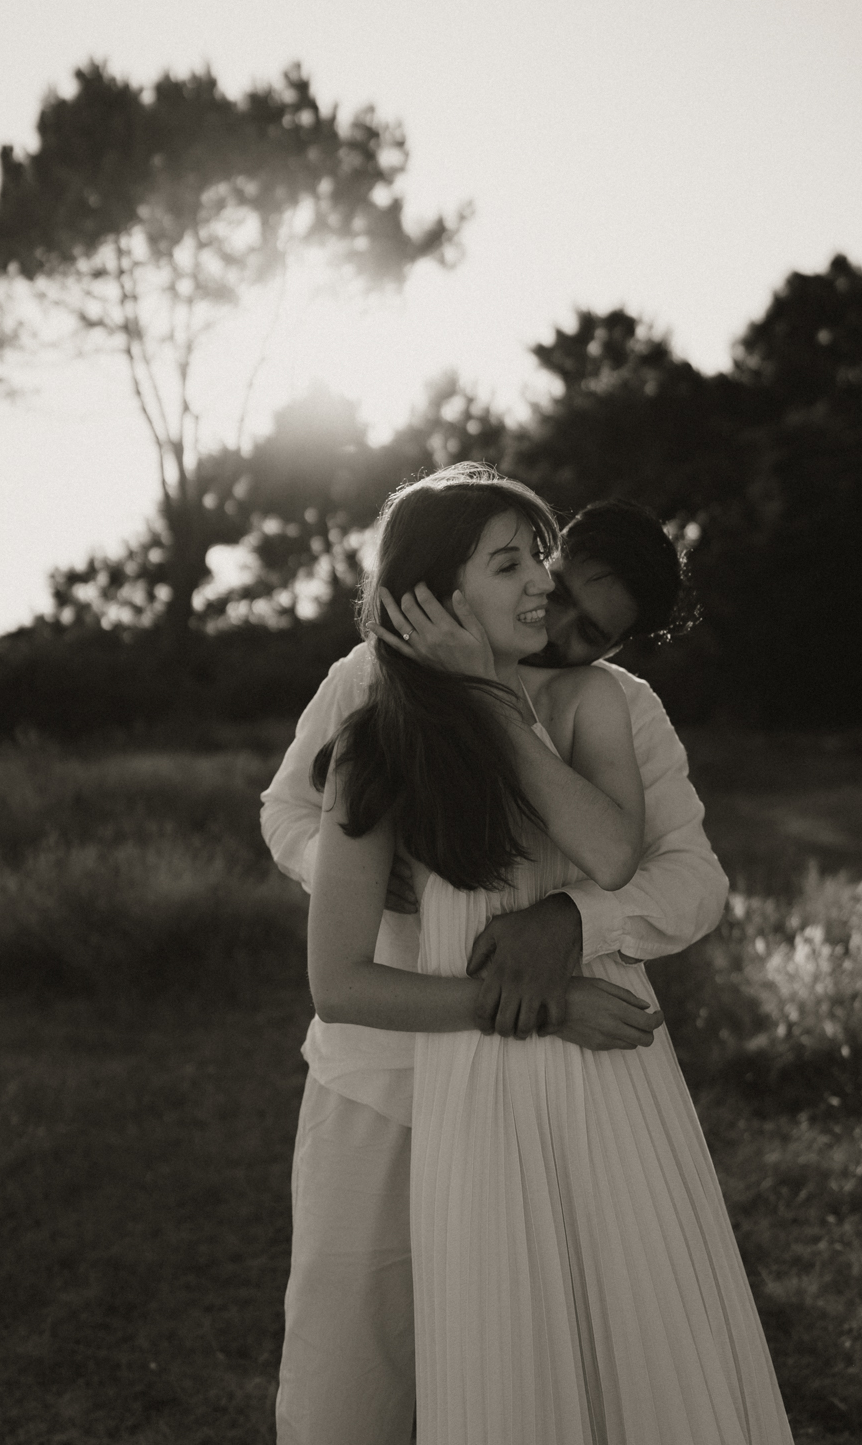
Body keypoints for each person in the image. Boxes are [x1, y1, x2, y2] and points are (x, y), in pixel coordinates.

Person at [261, 473, 740, 1444]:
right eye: (551, 588)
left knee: (554, 1359)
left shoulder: (616, 706)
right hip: (384, 1079)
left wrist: (571, 921)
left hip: (555, 1083)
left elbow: (688, 880)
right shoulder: (371, 682)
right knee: (353, 1356)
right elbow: (287, 813)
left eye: (590, 633)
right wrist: (360, 874)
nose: (555, 628)